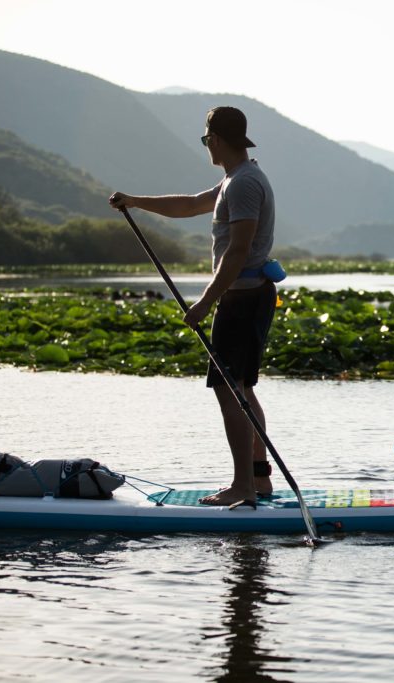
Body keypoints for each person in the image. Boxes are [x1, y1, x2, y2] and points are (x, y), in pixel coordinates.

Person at [109, 106, 278, 505]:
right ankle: (259, 479)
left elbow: (237, 252)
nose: (207, 146)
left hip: (244, 298)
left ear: (216, 140)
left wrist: (205, 302)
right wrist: (135, 201)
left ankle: (244, 488)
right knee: (243, 388)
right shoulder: (234, 181)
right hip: (245, 295)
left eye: (206, 140)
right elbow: (188, 205)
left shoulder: (243, 185)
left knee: (228, 388)